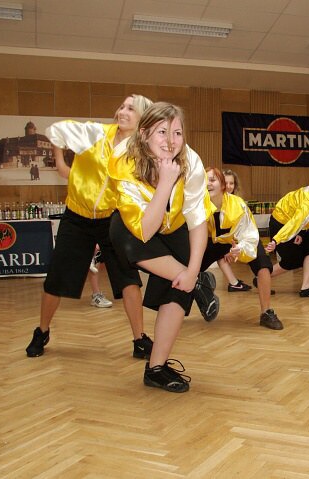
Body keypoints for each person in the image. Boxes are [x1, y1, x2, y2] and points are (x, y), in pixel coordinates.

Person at [25, 94, 154, 359]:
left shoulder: (139, 152)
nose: (122, 111)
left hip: (111, 219)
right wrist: (61, 163)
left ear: (143, 118)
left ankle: (140, 339)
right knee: (56, 279)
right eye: (122, 106)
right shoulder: (95, 133)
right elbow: (56, 130)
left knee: (129, 279)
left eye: (131, 109)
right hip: (76, 217)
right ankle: (42, 331)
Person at [108, 102, 214, 393]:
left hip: (176, 225)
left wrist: (192, 271)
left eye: (177, 133)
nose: (171, 141)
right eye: (162, 132)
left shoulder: (191, 161)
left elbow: (197, 221)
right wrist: (166, 182)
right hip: (138, 227)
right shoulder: (123, 160)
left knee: (181, 287)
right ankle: (200, 285)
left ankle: (156, 368)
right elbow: (144, 230)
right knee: (120, 232)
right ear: (143, 134)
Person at [201, 167, 283, 330]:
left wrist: (240, 248)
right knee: (188, 270)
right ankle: (197, 293)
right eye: (205, 180)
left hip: (240, 239)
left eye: (212, 180)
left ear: (223, 186)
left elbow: (248, 235)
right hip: (211, 241)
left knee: (263, 265)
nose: (208, 184)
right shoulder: (197, 204)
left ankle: (266, 312)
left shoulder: (238, 205)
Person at [263, 186, 309, 297]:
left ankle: (306, 288)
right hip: (281, 224)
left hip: (294, 223)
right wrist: (276, 240)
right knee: (292, 260)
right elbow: (295, 222)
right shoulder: (308, 206)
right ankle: (262, 277)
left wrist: (300, 232)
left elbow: (303, 219)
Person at [215, 168, 252, 292]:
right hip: (214, 238)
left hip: (225, 238)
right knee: (219, 253)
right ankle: (233, 283)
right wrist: (227, 248)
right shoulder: (216, 202)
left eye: (231, 183)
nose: (228, 186)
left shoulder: (236, 201)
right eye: (225, 183)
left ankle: (234, 282)